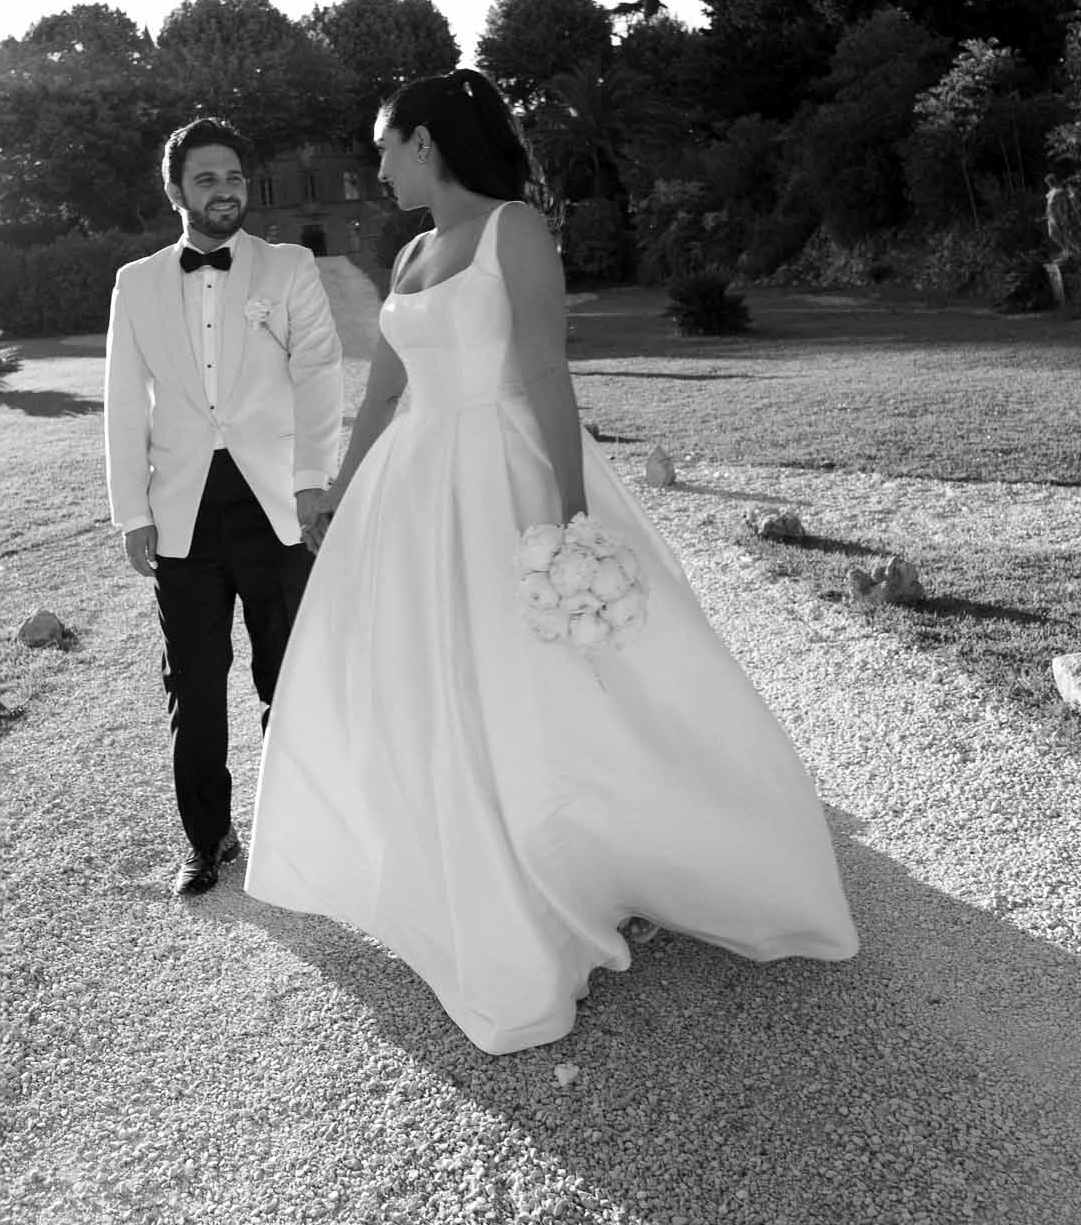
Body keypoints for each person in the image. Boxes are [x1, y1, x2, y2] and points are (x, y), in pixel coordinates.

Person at [246, 70, 858, 1053]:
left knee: (556, 674)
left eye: (384, 143)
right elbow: (385, 392)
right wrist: (340, 488)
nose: (375, 161)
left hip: (503, 473)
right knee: (431, 678)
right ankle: (474, 862)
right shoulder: (405, 251)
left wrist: (569, 514)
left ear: (428, 142)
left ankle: (632, 844)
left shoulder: (511, 230)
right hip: (410, 488)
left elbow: (541, 369)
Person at [105, 117, 343, 897]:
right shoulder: (136, 283)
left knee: (290, 677)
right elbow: (122, 405)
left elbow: (318, 373)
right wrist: (131, 511)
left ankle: (295, 830)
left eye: (235, 177)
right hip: (183, 514)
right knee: (195, 687)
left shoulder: (289, 267)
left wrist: (315, 478)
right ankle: (208, 841)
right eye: (206, 179)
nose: (225, 191)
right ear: (175, 190)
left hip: (278, 504)